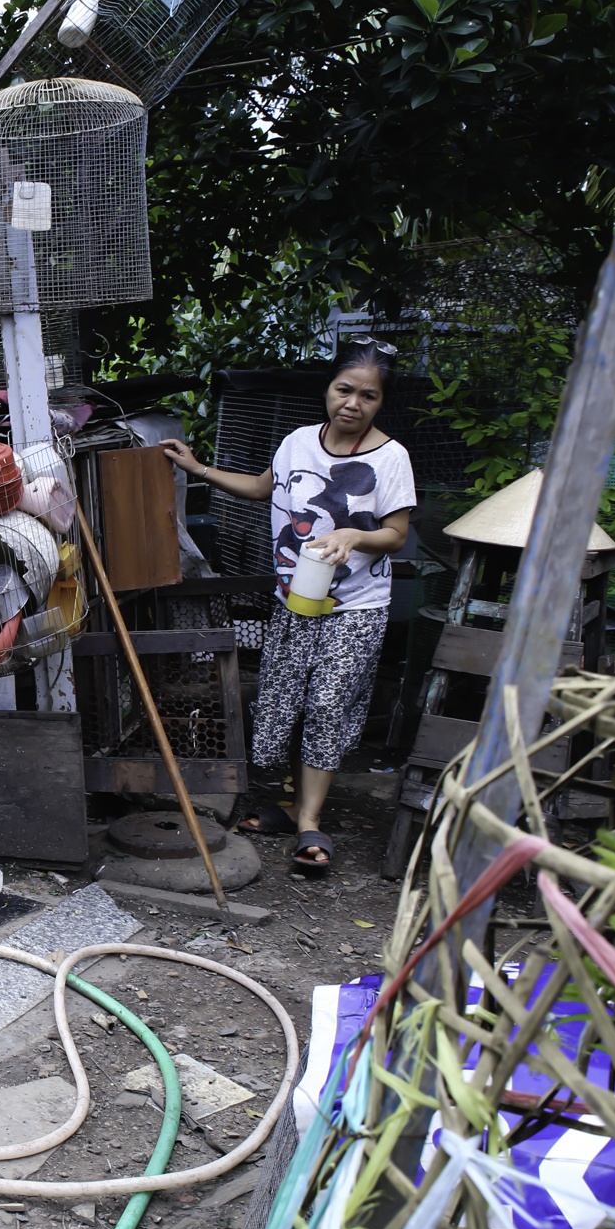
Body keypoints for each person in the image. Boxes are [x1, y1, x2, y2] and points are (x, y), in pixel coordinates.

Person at [161, 339, 414, 872]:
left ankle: (309, 820)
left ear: (380, 402)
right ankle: (286, 805)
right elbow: (260, 488)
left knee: (327, 706)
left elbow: (395, 534)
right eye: (344, 389)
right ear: (328, 388)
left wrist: (354, 536)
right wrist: (199, 467)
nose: (353, 403)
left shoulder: (391, 458)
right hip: (295, 600)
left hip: (357, 606)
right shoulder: (298, 442)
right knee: (280, 703)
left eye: (368, 396)